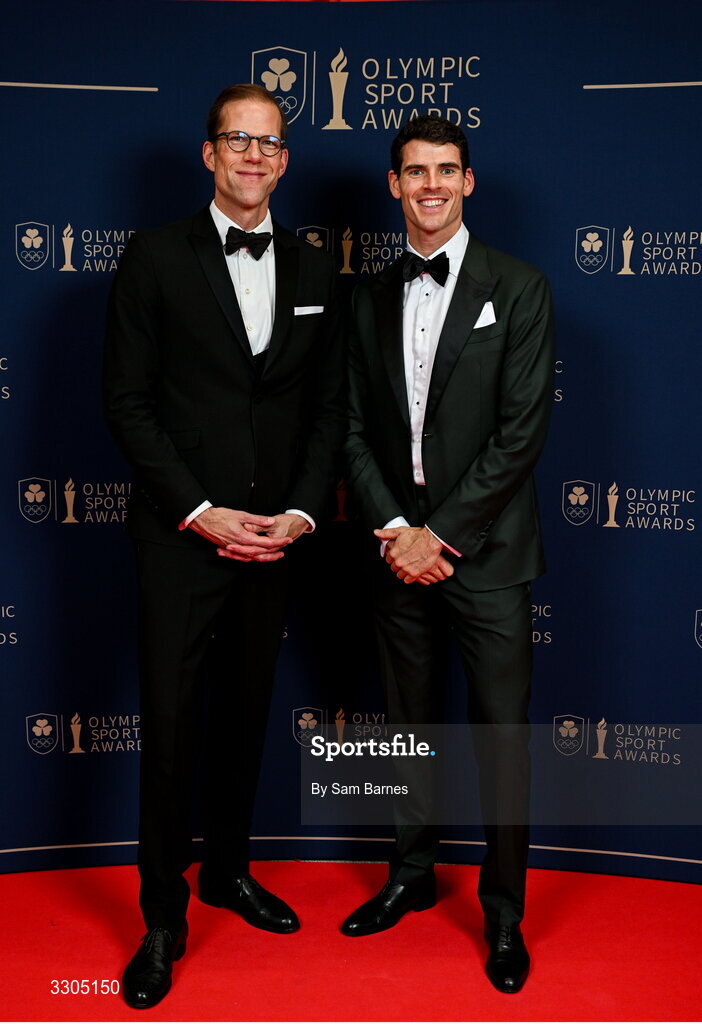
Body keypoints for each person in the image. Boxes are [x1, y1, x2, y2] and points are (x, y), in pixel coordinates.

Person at [103, 83, 344, 1009]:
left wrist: (300, 514)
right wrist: (199, 510)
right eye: (237, 141)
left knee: (246, 715)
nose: (254, 157)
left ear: (285, 160)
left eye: (269, 143)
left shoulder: (318, 268)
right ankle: (162, 916)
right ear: (210, 154)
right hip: (181, 538)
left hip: (276, 538)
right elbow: (126, 401)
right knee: (170, 729)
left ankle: (228, 871)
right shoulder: (154, 257)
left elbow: (327, 409)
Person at [342, 114, 554, 994]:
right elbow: (351, 429)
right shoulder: (365, 296)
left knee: (501, 741)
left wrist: (445, 534)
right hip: (398, 553)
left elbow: (522, 432)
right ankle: (411, 872)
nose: (430, 185)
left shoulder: (521, 285)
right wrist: (398, 531)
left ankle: (503, 914)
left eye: (446, 171)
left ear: (469, 182)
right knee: (406, 730)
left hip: (489, 553)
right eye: (414, 171)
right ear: (393, 185)